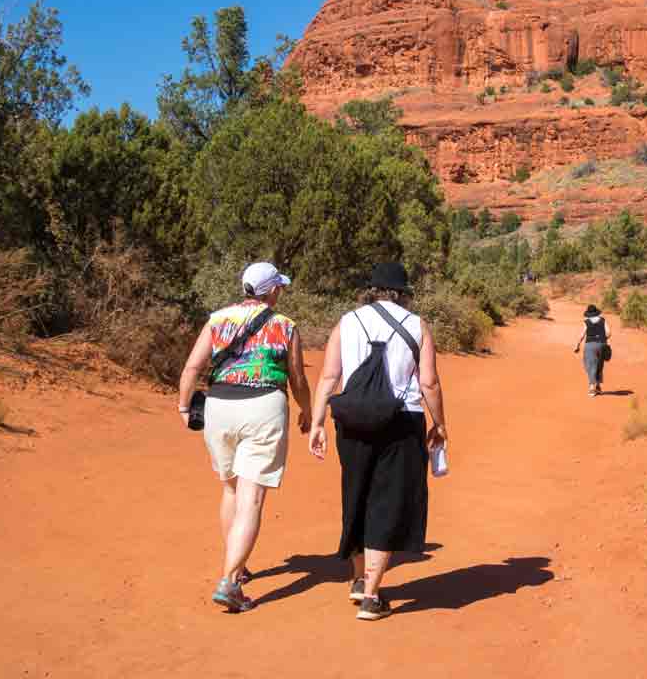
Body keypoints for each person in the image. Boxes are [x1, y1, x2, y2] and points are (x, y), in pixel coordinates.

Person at [306, 261, 447, 622]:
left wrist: (319, 421)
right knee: (388, 500)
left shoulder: (346, 321)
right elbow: (428, 382)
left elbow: (329, 376)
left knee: (357, 493)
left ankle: (357, 579)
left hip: (351, 420)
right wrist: (439, 423)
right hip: (401, 421)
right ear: (403, 292)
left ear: (372, 289)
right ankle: (371, 597)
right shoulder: (417, 325)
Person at [177, 261, 312, 612]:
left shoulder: (218, 318)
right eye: (279, 287)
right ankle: (230, 580)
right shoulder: (285, 325)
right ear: (271, 290)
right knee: (251, 498)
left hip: (220, 406)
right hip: (264, 406)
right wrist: (307, 411)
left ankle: (236, 565)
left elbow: (192, 367)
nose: (281, 291)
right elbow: (297, 376)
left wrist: (183, 404)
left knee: (230, 488)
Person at [573, 303, 611, 397]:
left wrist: (577, 345)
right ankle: (598, 386)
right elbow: (609, 333)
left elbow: (582, 335)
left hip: (590, 345)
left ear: (588, 313)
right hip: (602, 344)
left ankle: (591, 389)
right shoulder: (603, 320)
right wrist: (602, 340)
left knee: (590, 366)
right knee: (599, 365)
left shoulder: (587, 322)